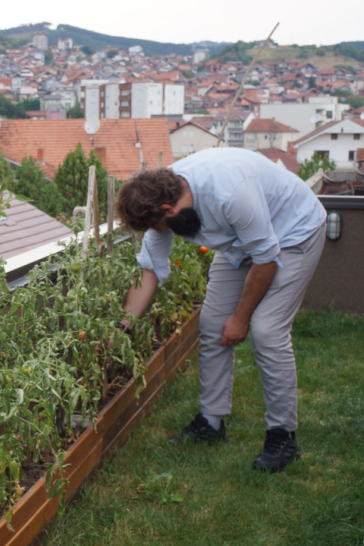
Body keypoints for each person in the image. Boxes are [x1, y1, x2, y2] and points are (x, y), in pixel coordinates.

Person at [113, 147, 326, 473]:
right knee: (212, 323)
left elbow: (266, 258)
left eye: (159, 227)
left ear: (169, 210)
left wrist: (241, 319)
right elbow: (149, 272)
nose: (160, 234)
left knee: (267, 330)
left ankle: (283, 435)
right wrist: (120, 329)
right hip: (242, 241)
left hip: (294, 232)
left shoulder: (229, 191)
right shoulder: (160, 196)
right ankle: (210, 423)